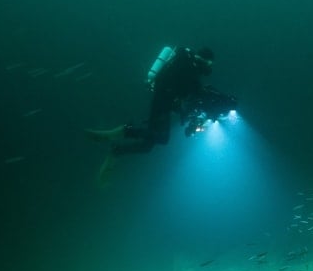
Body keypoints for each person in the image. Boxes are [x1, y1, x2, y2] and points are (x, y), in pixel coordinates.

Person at [85, 45, 235, 182]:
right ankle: (122, 131)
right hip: (162, 102)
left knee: (147, 146)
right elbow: (197, 91)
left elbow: (195, 91)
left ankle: (116, 151)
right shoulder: (188, 67)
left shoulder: (187, 65)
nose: (209, 69)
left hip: (163, 101)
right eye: (209, 64)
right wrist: (221, 98)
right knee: (162, 138)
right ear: (204, 61)